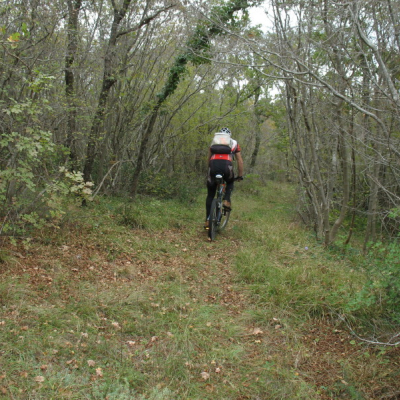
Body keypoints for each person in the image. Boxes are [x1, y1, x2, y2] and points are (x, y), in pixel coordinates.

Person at [204, 127, 244, 229]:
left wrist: (209, 172)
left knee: (210, 194)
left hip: (213, 165)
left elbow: (208, 159)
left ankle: (208, 220)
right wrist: (240, 175)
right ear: (229, 136)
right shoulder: (234, 143)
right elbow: (240, 161)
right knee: (230, 182)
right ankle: (226, 200)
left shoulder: (214, 142)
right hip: (226, 166)